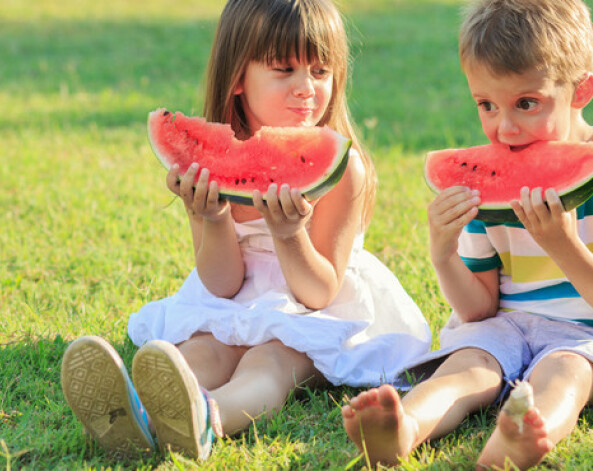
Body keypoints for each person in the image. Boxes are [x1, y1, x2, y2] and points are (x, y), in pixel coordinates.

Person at [60, 0, 431, 461]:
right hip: (233, 303)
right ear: (238, 78)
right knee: (201, 353)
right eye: (284, 69)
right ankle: (133, 414)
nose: (306, 89)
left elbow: (319, 292)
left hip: (312, 314)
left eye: (320, 71)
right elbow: (222, 284)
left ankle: (209, 419)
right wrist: (211, 219)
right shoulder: (209, 167)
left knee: (268, 363)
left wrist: (289, 233)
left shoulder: (343, 170)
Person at [342, 0, 593, 469]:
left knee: (565, 375)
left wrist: (563, 245)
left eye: (527, 104)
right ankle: (403, 427)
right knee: (465, 368)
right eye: (486, 105)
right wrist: (443, 252)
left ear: (580, 90)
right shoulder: (481, 184)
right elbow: (478, 307)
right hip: (504, 325)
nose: (505, 128)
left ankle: (519, 439)